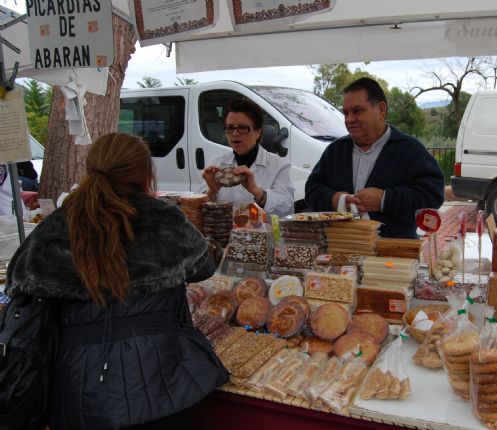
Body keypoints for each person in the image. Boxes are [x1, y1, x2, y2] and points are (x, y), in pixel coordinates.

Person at [6, 133, 228, 429]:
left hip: (78, 385)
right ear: (146, 173)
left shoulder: (56, 226)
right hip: (162, 379)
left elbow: (20, 283)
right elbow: (204, 266)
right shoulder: (163, 218)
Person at [305, 77, 445, 238]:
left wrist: (385, 199)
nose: (349, 119)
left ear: (381, 110)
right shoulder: (335, 151)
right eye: (346, 113)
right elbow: (312, 189)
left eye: (357, 110)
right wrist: (333, 199)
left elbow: (433, 195)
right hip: (341, 251)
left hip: (393, 254)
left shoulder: (410, 150)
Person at [201, 98, 295, 218]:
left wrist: (256, 191)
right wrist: (212, 191)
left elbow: (286, 209)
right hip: (226, 235)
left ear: (258, 132)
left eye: (242, 127)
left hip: (264, 235)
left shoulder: (279, 165)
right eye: (230, 128)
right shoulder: (216, 164)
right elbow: (198, 210)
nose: (235, 133)